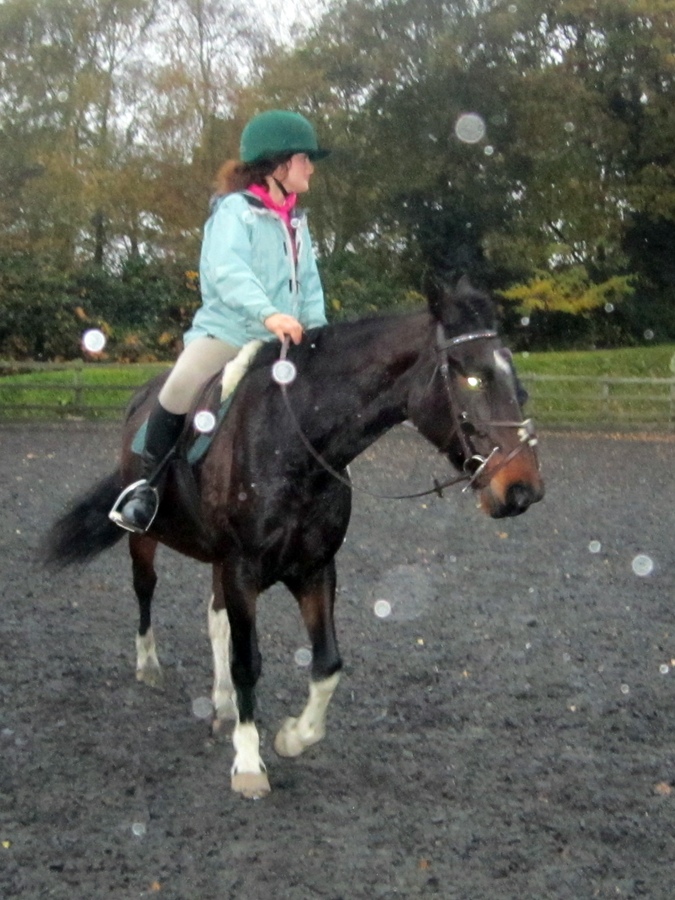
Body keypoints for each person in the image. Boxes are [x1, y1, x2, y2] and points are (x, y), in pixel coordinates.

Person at [109, 110, 330, 533]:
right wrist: (269, 314)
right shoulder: (234, 212)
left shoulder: (296, 221)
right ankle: (145, 489)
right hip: (230, 333)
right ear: (278, 164)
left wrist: (318, 328)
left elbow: (310, 282)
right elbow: (228, 272)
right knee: (180, 385)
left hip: (286, 338)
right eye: (305, 159)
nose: (311, 168)